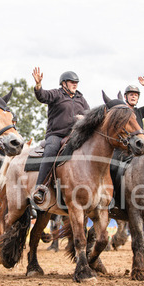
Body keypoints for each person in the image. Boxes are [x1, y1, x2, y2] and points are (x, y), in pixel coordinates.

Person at [31, 68, 90, 204]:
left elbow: (89, 114)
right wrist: (38, 86)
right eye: (72, 82)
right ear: (63, 83)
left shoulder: (81, 98)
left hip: (76, 135)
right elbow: (42, 96)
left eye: (76, 82)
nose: (75, 84)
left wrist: (84, 118)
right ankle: (40, 188)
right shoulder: (56, 94)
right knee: (51, 151)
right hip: (56, 134)